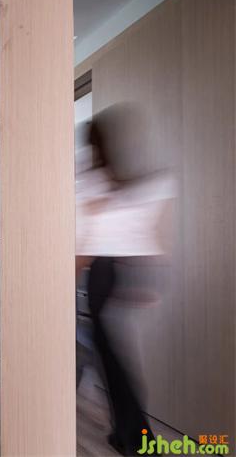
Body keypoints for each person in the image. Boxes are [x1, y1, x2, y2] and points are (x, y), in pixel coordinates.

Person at [76, 103, 175, 456]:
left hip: (106, 271)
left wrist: (69, 277)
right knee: (110, 352)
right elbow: (153, 228)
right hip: (136, 269)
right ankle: (126, 433)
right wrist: (149, 278)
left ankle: (137, 439)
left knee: (110, 356)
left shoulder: (92, 180)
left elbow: (87, 241)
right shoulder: (133, 180)